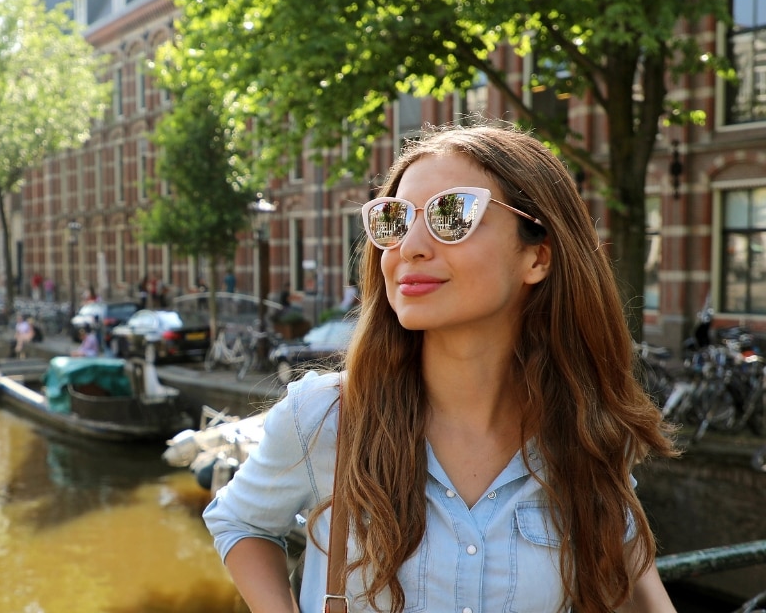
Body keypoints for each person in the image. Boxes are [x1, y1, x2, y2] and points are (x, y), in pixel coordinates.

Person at [203, 124, 677, 613]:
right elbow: (239, 520)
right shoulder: (324, 417)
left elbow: (633, 583)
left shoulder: (585, 431)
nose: (410, 246)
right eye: (394, 220)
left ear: (537, 257)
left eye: (452, 216)